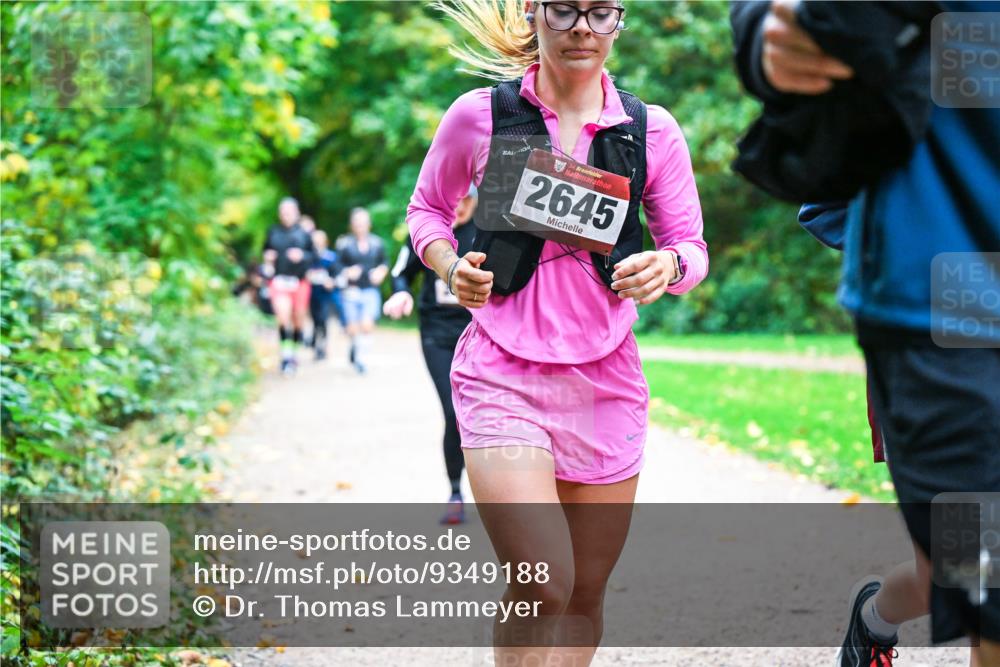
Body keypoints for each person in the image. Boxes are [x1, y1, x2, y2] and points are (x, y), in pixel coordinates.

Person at [409, 1, 708, 663]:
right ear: (534, 14)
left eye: (601, 12)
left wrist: (670, 264)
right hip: (501, 371)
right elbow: (427, 210)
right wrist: (450, 263)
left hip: (606, 380)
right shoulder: (480, 115)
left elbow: (692, 245)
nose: (582, 27)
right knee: (543, 580)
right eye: (565, 9)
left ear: (619, 22)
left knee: (583, 594)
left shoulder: (648, 130)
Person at [732, 3, 1000, 666]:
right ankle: (879, 612)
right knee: (974, 571)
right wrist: (759, 30)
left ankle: (877, 612)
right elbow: (822, 200)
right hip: (946, 319)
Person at [384, 184, 478, 525]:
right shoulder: (427, 231)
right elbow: (400, 274)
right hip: (437, 335)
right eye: (455, 198)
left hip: (481, 336)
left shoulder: (489, 231)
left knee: (487, 418)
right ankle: (455, 491)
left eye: (467, 199)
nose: (460, 206)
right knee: (455, 414)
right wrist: (402, 294)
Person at [262, 197, 315, 374]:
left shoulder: (304, 234)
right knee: (283, 317)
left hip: (299, 282)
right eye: (283, 212)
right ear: (280, 214)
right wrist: (268, 257)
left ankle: (294, 353)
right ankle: (285, 356)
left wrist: (302, 256)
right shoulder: (273, 232)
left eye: (290, 212)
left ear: (296, 212)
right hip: (279, 281)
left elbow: (315, 257)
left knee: (297, 319)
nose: (286, 215)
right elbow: (265, 251)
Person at [336, 207, 389, 374]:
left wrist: (380, 272)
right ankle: (355, 346)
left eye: (363, 223)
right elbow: (336, 266)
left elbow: (384, 263)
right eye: (357, 223)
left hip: (370, 290)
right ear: (352, 225)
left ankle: (361, 360)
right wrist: (347, 272)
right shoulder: (344, 245)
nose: (360, 226)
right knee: (352, 328)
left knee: (366, 325)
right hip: (350, 291)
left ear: (369, 224)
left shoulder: (377, 243)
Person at [307, 229, 339, 361]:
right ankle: (316, 343)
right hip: (313, 292)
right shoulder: (309, 256)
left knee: (324, 319)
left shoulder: (331, 256)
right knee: (315, 320)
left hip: (326, 294)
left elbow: (337, 273)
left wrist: (332, 281)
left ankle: (323, 346)